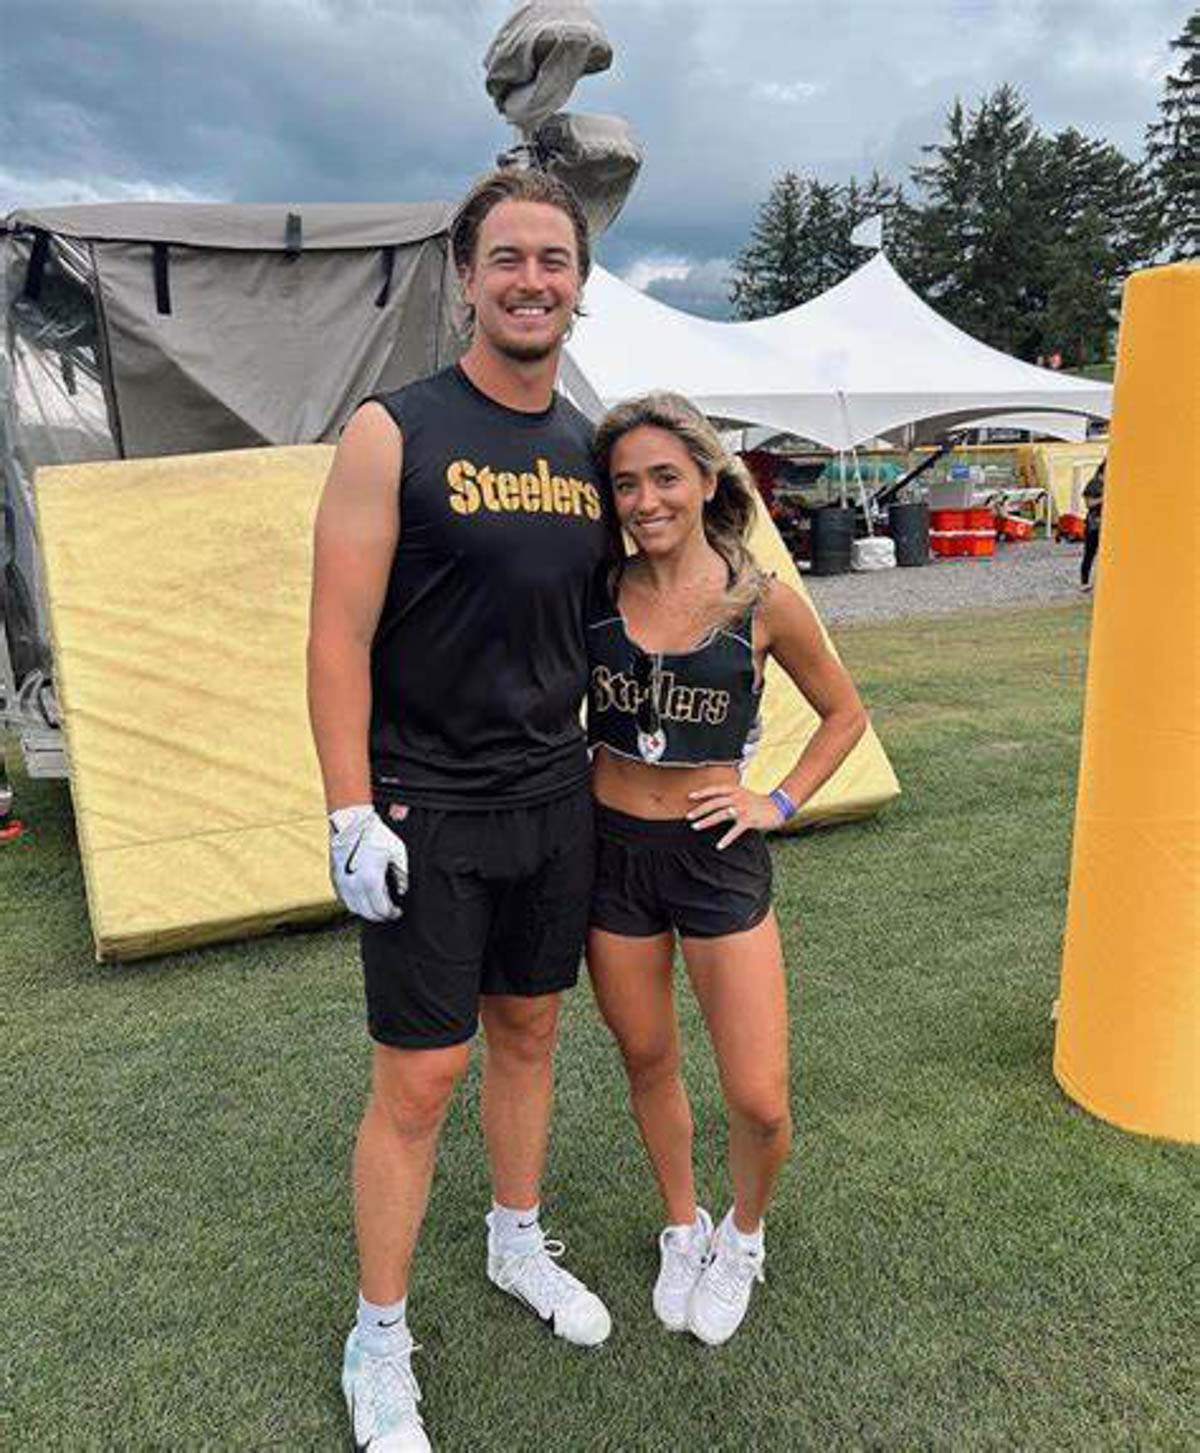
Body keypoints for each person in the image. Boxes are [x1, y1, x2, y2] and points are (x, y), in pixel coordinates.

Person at [307, 168, 615, 1453]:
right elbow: (335, 634)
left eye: (554, 258)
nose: (531, 279)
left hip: (558, 798)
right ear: (465, 275)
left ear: (579, 285)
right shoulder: (396, 428)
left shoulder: (589, 448)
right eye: (508, 258)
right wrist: (345, 810)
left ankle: (513, 1241)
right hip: (427, 806)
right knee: (423, 1078)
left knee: (532, 1034)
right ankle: (377, 1340)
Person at [585, 393, 867, 1346]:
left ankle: (743, 1233)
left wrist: (775, 801)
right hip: (611, 853)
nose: (645, 498)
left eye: (665, 476)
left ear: (708, 479)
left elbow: (845, 715)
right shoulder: (598, 588)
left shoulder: (761, 600)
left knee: (759, 1095)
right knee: (647, 1056)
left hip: (715, 858)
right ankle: (682, 1223)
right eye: (626, 482)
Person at [1081, 458, 1105, 591]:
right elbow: (1088, 503)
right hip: (1093, 525)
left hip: (1103, 525)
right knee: (1089, 554)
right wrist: (1104, 497)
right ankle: (1084, 582)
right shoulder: (1094, 484)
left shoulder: (1108, 484)